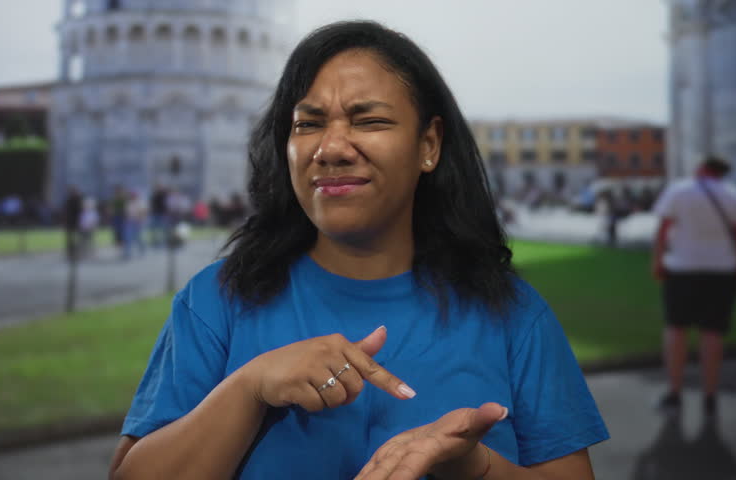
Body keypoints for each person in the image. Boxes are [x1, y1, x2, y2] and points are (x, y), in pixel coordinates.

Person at [109, 21, 608, 480]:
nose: (332, 148)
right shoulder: (216, 303)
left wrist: (471, 464)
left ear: (429, 144)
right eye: (308, 124)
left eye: (368, 121)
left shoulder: (513, 317)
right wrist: (249, 388)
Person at [651, 155, 736, 416]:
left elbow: (663, 228)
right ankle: (710, 395)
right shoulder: (735, 194)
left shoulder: (680, 190)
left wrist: (658, 260)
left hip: (682, 268)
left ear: (701, 168)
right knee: (713, 333)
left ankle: (675, 392)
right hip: (721, 270)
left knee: (676, 329)